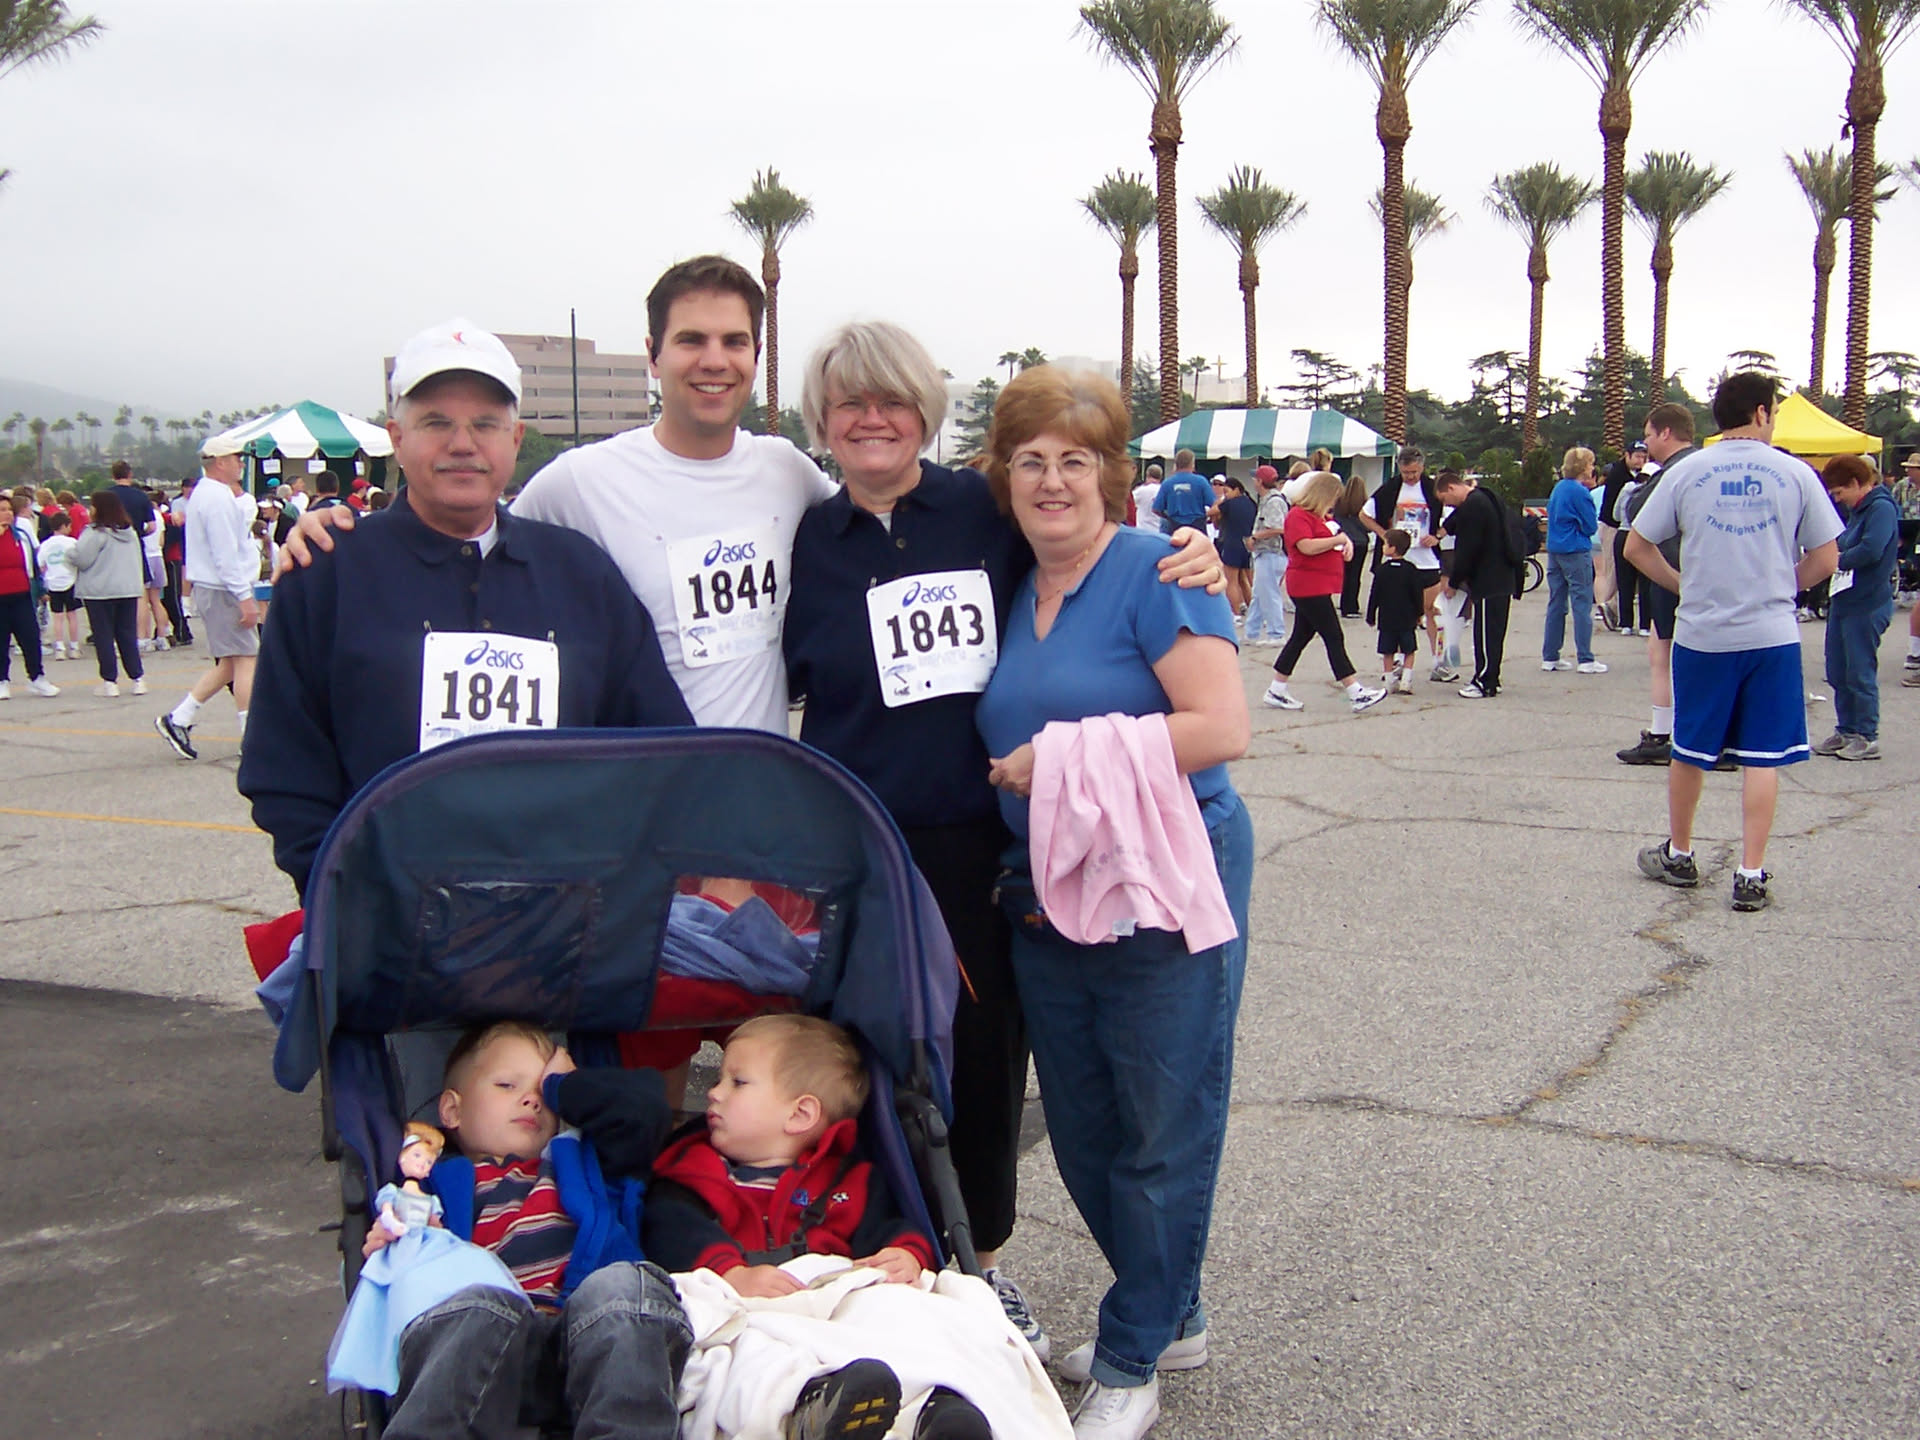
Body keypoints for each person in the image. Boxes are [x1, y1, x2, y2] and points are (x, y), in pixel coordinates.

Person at [782, 322, 1221, 1367]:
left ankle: (978, 1264)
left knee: (983, 1066)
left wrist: (1198, 553)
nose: (873, 419)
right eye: (850, 403)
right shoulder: (805, 537)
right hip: (858, 847)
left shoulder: (983, 508)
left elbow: (1092, 546)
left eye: (893, 400)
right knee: (860, 1056)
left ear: (927, 414)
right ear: (823, 421)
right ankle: (876, 1258)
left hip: (990, 846)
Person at [973, 366, 1251, 1440]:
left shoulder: (1158, 568)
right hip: (1046, 882)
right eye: (1030, 461)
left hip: (1163, 871)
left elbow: (1221, 728)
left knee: (1162, 1120)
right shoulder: (1010, 580)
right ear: (1004, 476)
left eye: (1074, 461)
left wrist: (1060, 758)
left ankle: (1134, 1353)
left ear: (1111, 475)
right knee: (1085, 1124)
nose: (1052, 481)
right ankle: (1173, 1310)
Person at [236, 319, 693, 899]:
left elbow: (660, 747)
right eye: (436, 423)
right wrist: (347, 891)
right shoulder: (327, 574)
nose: (462, 444)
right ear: (397, 437)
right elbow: (283, 769)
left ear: (515, 438)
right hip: (380, 923)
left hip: (566, 922)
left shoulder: (583, 574)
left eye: (484, 424)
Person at [646, 1015, 1004, 1440]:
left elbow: (886, 1228)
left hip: (832, 1302)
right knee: (744, 1354)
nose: (713, 1092)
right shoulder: (692, 1174)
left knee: (912, 1310)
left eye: (737, 1082)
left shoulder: (849, 1180)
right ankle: (807, 1412)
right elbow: (673, 1230)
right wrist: (731, 1272)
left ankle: (935, 1410)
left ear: (800, 1114)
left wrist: (906, 1253)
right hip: (750, 1307)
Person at [355, 1020, 689, 1440]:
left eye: (541, 1090)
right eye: (507, 1086)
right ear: (453, 1111)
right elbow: (404, 1251)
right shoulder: (434, 1184)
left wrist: (565, 1087)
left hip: (591, 1339)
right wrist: (392, 1243)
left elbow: (647, 1112)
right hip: (490, 1355)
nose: (532, 1099)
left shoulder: (590, 1160)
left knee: (626, 1286)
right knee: (473, 1305)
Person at [1626, 372, 1841, 913]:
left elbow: (1636, 545)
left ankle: (1680, 853)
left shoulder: (1687, 470)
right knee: (1763, 756)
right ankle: (1750, 873)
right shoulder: (1794, 472)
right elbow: (1826, 557)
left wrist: (1682, 584)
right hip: (1771, 634)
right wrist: (1781, 586)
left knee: (1690, 748)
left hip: (1704, 632)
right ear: (1762, 412)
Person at [155, 435, 260, 754]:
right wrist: (244, 597)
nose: (241, 463)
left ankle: (179, 718)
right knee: (247, 659)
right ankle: (250, 736)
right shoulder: (216, 498)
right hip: (223, 589)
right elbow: (224, 553)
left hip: (215, 587)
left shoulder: (207, 493)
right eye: (237, 458)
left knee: (230, 662)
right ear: (220, 462)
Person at [1616, 404, 1701, 766]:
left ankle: (1664, 734)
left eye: (1649, 435)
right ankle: (1711, 736)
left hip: (1674, 568)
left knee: (1663, 653)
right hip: (1699, 568)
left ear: (1666, 433)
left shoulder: (1674, 471)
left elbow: (1636, 510)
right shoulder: (1705, 465)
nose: (1647, 444)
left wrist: (1648, 481)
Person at [1263, 473, 1387, 715]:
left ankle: (1277, 687)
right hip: (1308, 585)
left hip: (1316, 584)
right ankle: (1354, 690)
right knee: (1333, 635)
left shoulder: (1319, 517)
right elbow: (1306, 546)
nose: (1333, 504)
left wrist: (1344, 542)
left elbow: (1331, 537)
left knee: (1301, 636)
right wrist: (1336, 540)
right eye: (1332, 498)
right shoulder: (1298, 515)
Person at [1814, 454, 1898, 761]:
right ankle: (1846, 729)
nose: (1838, 500)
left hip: (1868, 602)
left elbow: (1871, 549)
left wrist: (1835, 561)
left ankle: (1866, 734)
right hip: (1844, 600)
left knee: (1860, 671)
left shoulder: (1881, 508)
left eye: (1840, 492)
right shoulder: (1859, 511)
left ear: (1855, 483)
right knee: (1838, 669)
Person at [1361, 446, 1448, 677]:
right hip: (1399, 560)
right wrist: (1384, 534)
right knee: (1400, 612)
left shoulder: (1432, 488)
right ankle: (1399, 660)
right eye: (1406, 472)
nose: (1410, 477)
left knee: (1433, 610)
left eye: (1414, 472)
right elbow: (1364, 514)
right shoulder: (1390, 488)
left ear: (1422, 468)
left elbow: (1452, 517)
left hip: (1427, 560)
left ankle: (1440, 660)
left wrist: (1437, 535)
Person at [1433, 470, 1519, 699]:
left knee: (1486, 632)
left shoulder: (1473, 507)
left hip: (1489, 578)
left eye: (1444, 499)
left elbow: (1467, 549)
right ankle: (1492, 678)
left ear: (1451, 488)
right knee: (1494, 630)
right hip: (1502, 576)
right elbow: (1457, 519)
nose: (1447, 505)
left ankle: (1484, 681)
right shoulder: (1485, 496)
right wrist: (1444, 530)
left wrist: (1454, 580)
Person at [73, 489, 149, 697]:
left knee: (104, 636)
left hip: (100, 591)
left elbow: (82, 559)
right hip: (126, 589)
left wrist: (69, 553)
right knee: (127, 634)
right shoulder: (130, 533)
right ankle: (137, 678)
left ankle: (110, 681)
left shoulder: (95, 533)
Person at [1541, 446, 1606, 674]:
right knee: (1581, 602)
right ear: (1583, 467)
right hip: (1576, 549)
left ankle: (1550, 656)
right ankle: (1585, 658)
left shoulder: (1559, 488)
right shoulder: (1580, 492)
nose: (1592, 468)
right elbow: (1590, 525)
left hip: (1555, 549)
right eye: (1590, 463)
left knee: (1556, 602)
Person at [0, 494, 58, 699]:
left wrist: (41, 590)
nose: (7, 514)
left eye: (9, 510)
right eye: (2, 510)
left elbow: (33, 565)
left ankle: (37, 678)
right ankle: (2, 680)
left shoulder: (21, 536)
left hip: (22, 595)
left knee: (30, 638)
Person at [1597, 439, 1647, 629]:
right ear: (1627, 455)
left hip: (1623, 527)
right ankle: (1607, 605)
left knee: (1620, 573)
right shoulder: (1620, 476)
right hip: (1613, 526)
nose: (1640, 461)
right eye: (1637, 456)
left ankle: (1612, 607)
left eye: (1644, 457)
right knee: (1613, 570)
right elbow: (1616, 510)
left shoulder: (1635, 475)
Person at [1372, 528, 1426, 694]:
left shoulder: (1381, 570)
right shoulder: (1411, 569)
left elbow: (1375, 594)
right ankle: (1406, 681)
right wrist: (1419, 613)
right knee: (1409, 650)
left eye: (1385, 544)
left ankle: (1389, 681)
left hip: (1387, 618)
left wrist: (1371, 614)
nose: (1383, 547)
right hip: (1407, 618)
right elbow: (1417, 594)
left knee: (1388, 651)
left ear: (1393, 548)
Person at [1242, 465, 1288, 646]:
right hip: (1266, 552)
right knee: (1259, 594)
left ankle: (1277, 634)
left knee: (1269, 594)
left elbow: (1278, 528)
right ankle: (1251, 633)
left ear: (1260, 481)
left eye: (1255, 478)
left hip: (1271, 552)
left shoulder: (1273, 501)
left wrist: (1255, 537)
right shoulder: (1268, 500)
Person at [38, 510, 81, 660]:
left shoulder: (45, 544)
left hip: (53, 583)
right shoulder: (72, 542)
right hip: (71, 581)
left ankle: (60, 648)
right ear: (64, 526)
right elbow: (79, 560)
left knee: (57, 617)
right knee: (72, 615)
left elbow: (41, 565)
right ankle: (74, 647)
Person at [1211, 475, 1255, 614]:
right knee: (1244, 580)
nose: (1226, 495)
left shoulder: (1229, 503)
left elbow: (1211, 512)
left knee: (1231, 581)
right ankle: (1253, 611)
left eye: (1227, 491)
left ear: (1236, 489)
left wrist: (1218, 502)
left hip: (1232, 543)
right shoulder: (1251, 502)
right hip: (1247, 543)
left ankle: (1235, 613)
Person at [1332, 471, 1371, 618]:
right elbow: (1368, 527)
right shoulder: (1365, 505)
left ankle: (1344, 603)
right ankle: (1351, 606)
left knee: (1346, 574)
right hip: (1360, 542)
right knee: (1356, 575)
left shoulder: (1340, 503)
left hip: (1345, 540)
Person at [1150, 449, 1211, 536]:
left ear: (1176, 464)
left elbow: (1155, 509)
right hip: (1197, 526)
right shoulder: (1201, 481)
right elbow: (1214, 504)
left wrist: (1167, 517)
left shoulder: (1167, 483)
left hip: (1175, 526)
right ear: (1192, 463)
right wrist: (1206, 517)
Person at [1131, 464, 1163, 532]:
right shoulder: (1163, 490)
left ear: (1147, 475)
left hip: (1142, 529)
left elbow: (1129, 502)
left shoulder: (1141, 490)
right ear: (1160, 477)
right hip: (1158, 530)